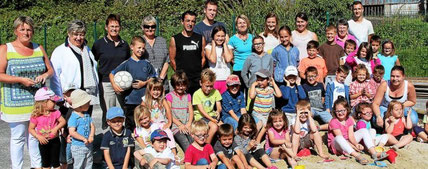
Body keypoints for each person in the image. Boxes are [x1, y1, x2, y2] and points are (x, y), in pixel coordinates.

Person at [0, 16, 53, 169]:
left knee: (35, 136)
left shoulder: (38, 47)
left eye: (29, 29)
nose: (26, 32)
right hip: (15, 102)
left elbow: (50, 70)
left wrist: (44, 75)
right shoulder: (6, 49)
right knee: (18, 138)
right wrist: (19, 79)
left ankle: (37, 166)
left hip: (37, 102)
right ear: (16, 31)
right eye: (22, 29)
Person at [50, 20, 99, 115]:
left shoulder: (87, 50)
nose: (78, 38)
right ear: (69, 33)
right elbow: (54, 76)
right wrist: (58, 97)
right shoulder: (60, 51)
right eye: (75, 34)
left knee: (85, 126)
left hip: (86, 96)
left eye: (81, 35)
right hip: (70, 98)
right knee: (70, 127)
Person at [92, 14, 131, 129]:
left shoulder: (124, 45)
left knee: (120, 113)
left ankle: (121, 139)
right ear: (106, 27)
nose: (114, 29)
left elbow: (127, 63)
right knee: (109, 113)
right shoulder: (99, 44)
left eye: (117, 26)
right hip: (106, 83)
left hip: (121, 85)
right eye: (112, 26)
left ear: (120, 28)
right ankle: (108, 139)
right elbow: (93, 63)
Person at [109, 36, 156, 130]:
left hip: (144, 100)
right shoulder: (127, 63)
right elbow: (111, 74)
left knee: (144, 123)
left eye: (143, 48)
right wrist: (114, 85)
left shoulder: (146, 63)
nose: (141, 50)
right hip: (130, 100)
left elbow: (153, 77)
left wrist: (144, 83)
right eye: (139, 48)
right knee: (130, 124)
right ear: (132, 47)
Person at [327, 98, 388, 165]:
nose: (341, 113)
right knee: (339, 138)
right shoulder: (334, 122)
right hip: (337, 145)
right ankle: (357, 156)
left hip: (348, 142)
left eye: (343, 110)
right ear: (334, 111)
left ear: (347, 109)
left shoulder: (349, 120)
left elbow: (351, 136)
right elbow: (341, 138)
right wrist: (353, 147)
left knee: (364, 130)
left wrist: (356, 144)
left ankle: (373, 153)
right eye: (338, 111)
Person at [170, 11, 206, 95]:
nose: (190, 23)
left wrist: (197, 70)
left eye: (193, 21)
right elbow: (172, 59)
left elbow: (203, 57)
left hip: (197, 79)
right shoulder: (175, 39)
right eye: (188, 21)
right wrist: (179, 73)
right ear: (182, 22)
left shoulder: (201, 38)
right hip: (182, 80)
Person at [29, 87, 66, 169]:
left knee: (56, 163)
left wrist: (56, 128)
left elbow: (63, 121)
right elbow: (31, 129)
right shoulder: (36, 115)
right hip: (43, 142)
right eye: (53, 101)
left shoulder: (56, 112)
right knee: (45, 163)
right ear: (44, 102)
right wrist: (38, 136)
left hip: (55, 141)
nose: (55, 103)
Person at [141, 79, 177, 155]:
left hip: (161, 123)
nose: (156, 92)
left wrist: (169, 122)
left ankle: (174, 153)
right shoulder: (145, 100)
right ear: (149, 90)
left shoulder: (162, 100)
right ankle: (156, 152)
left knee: (168, 132)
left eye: (158, 90)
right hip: (151, 124)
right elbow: (141, 111)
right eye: (154, 89)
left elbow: (168, 110)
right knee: (153, 136)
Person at [249, 69, 282, 142]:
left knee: (266, 125)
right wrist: (253, 85)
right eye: (258, 80)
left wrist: (273, 83)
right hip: (257, 113)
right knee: (259, 124)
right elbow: (251, 96)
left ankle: (257, 140)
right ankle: (252, 139)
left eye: (262, 80)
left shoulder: (270, 89)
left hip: (267, 114)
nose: (260, 82)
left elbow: (279, 95)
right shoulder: (257, 89)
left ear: (268, 80)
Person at [166, 71, 194, 152]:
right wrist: (180, 125)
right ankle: (189, 160)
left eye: (183, 85)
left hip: (187, 124)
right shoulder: (170, 96)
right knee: (185, 142)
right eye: (178, 85)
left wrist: (189, 124)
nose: (181, 88)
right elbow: (168, 114)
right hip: (176, 126)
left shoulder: (188, 96)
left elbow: (191, 111)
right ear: (174, 85)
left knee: (193, 140)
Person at [192, 69, 222, 144]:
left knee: (223, 127)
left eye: (211, 86)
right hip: (201, 117)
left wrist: (218, 111)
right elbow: (202, 111)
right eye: (207, 86)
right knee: (214, 127)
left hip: (212, 115)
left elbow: (219, 106)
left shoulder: (215, 92)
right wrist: (212, 119)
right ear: (200, 83)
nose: (209, 89)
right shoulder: (197, 94)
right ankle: (207, 147)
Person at [68, 89, 95, 169]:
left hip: (88, 145)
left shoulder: (86, 115)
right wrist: (83, 138)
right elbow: (72, 132)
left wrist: (91, 136)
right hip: (78, 146)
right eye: (87, 103)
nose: (89, 104)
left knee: (89, 163)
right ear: (80, 105)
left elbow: (92, 125)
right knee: (78, 165)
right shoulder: (74, 117)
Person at [141, 15, 170, 91]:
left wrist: (161, 78)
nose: (150, 29)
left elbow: (167, 60)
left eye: (153, 26)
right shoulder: (139, 41)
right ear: (142, 27)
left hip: (162, 84)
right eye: (147, 26)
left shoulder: (162, 41)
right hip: (145, 85)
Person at [205, 25, 233, 94]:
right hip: (214, 80)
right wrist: (213, 45)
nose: (220, 38)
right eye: (218, 36)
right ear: (213, 36)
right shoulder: (208, 47)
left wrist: (225, 45)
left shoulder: (229, 47)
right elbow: (213, 60)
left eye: (222, 36)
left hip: (226, 79)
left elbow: (228, 59)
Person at [228, 14, 253, 89]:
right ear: (236, 26)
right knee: (240, 94)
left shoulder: (252, 37)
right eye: (240, 23)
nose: (242, 25)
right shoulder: (232, 39)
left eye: (244, 22)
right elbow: (229, 56)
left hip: (251, 69)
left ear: (247, 24)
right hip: (239, 69)